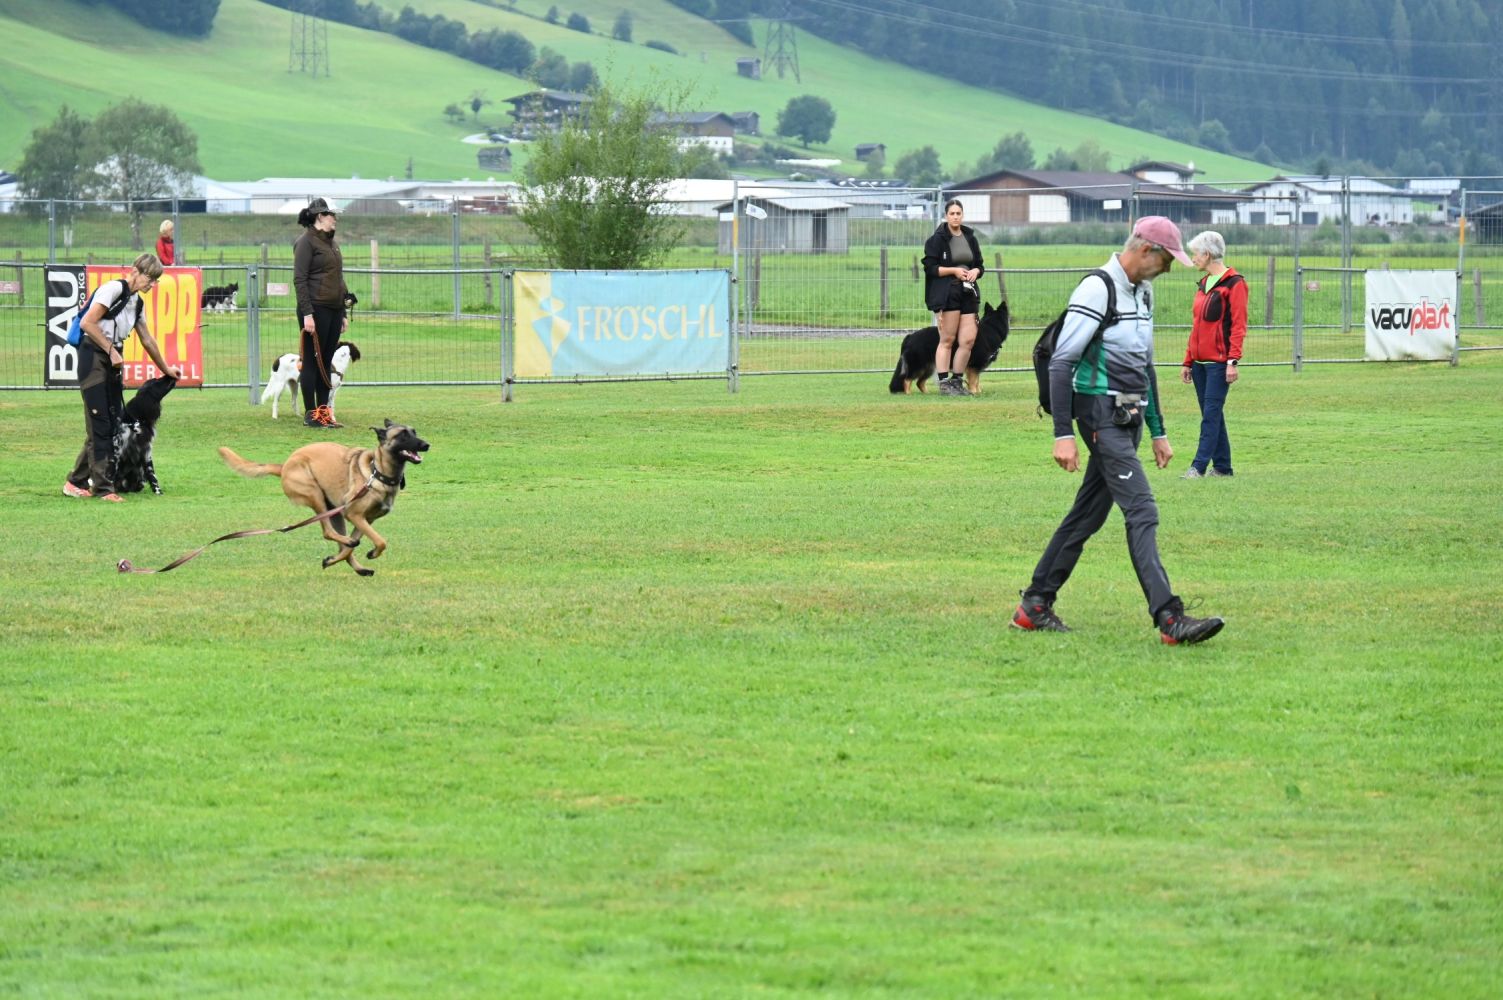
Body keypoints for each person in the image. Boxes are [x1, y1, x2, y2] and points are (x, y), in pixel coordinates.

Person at [1011, 217, 1224, 645]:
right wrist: (1062, 434)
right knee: (1142, 510)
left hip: (1130, 417)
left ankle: (1034, 604)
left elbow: (1145, 364)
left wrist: (1158, 430)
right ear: (1145, 250)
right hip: (1099, 415)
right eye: (1166, 261)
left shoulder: (1144, 292)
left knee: (1087, 515)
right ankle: (1169, 618)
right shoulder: (1097, 289)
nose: (1168, 270)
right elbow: (1062, 363)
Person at [63, 253, 183, 503]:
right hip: (93, 356)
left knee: (112, 424)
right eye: (150, 278)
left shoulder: (137, 304)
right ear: (135, 271)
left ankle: (75, 481)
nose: (152, 284)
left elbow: (147, 339)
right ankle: (104, 489)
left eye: (156, 280)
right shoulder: (113, 290)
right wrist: (110, 350)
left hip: (113, 359)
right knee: (101, 424)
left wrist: (166, 369)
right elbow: (87, 323)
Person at [1180, 230, 1246, 479]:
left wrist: (1232, 361)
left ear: (1207, 254)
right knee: (1213, 415)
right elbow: (1197, 326)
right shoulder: (1203, 283)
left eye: (1195, 253)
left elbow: (1238, 326)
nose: (1193, 258)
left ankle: (1198, 467)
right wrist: (1188, 361)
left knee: (1210, 416)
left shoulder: (1234, 283)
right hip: (1199, 365)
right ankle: (1222, 468)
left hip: (1219, 365)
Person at [293, 197, 350, 428]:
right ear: (320, 217)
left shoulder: (332, 243)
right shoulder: (305, 243)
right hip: (315, 309)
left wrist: (343, 311)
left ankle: (324, 412)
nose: (335, 219)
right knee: (311, 361)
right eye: (331, 215)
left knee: (326, 361)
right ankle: (311, 413)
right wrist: (307, 313)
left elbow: (338, 278)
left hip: (334, 309)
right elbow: (300, 280)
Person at [922, 199, 985, 396]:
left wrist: (975, 271)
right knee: (947, 339)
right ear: (946, 216)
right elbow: (930, 268)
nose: (956, 217)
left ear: (962, 215)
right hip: (948, 292)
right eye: (952, 213)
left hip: (968, 292)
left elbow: (980, 265)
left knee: (968, 340)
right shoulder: (937, 240)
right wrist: (954, 271)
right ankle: (944, 383)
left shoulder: (970, 237)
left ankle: (957, 381)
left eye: (959, 213)